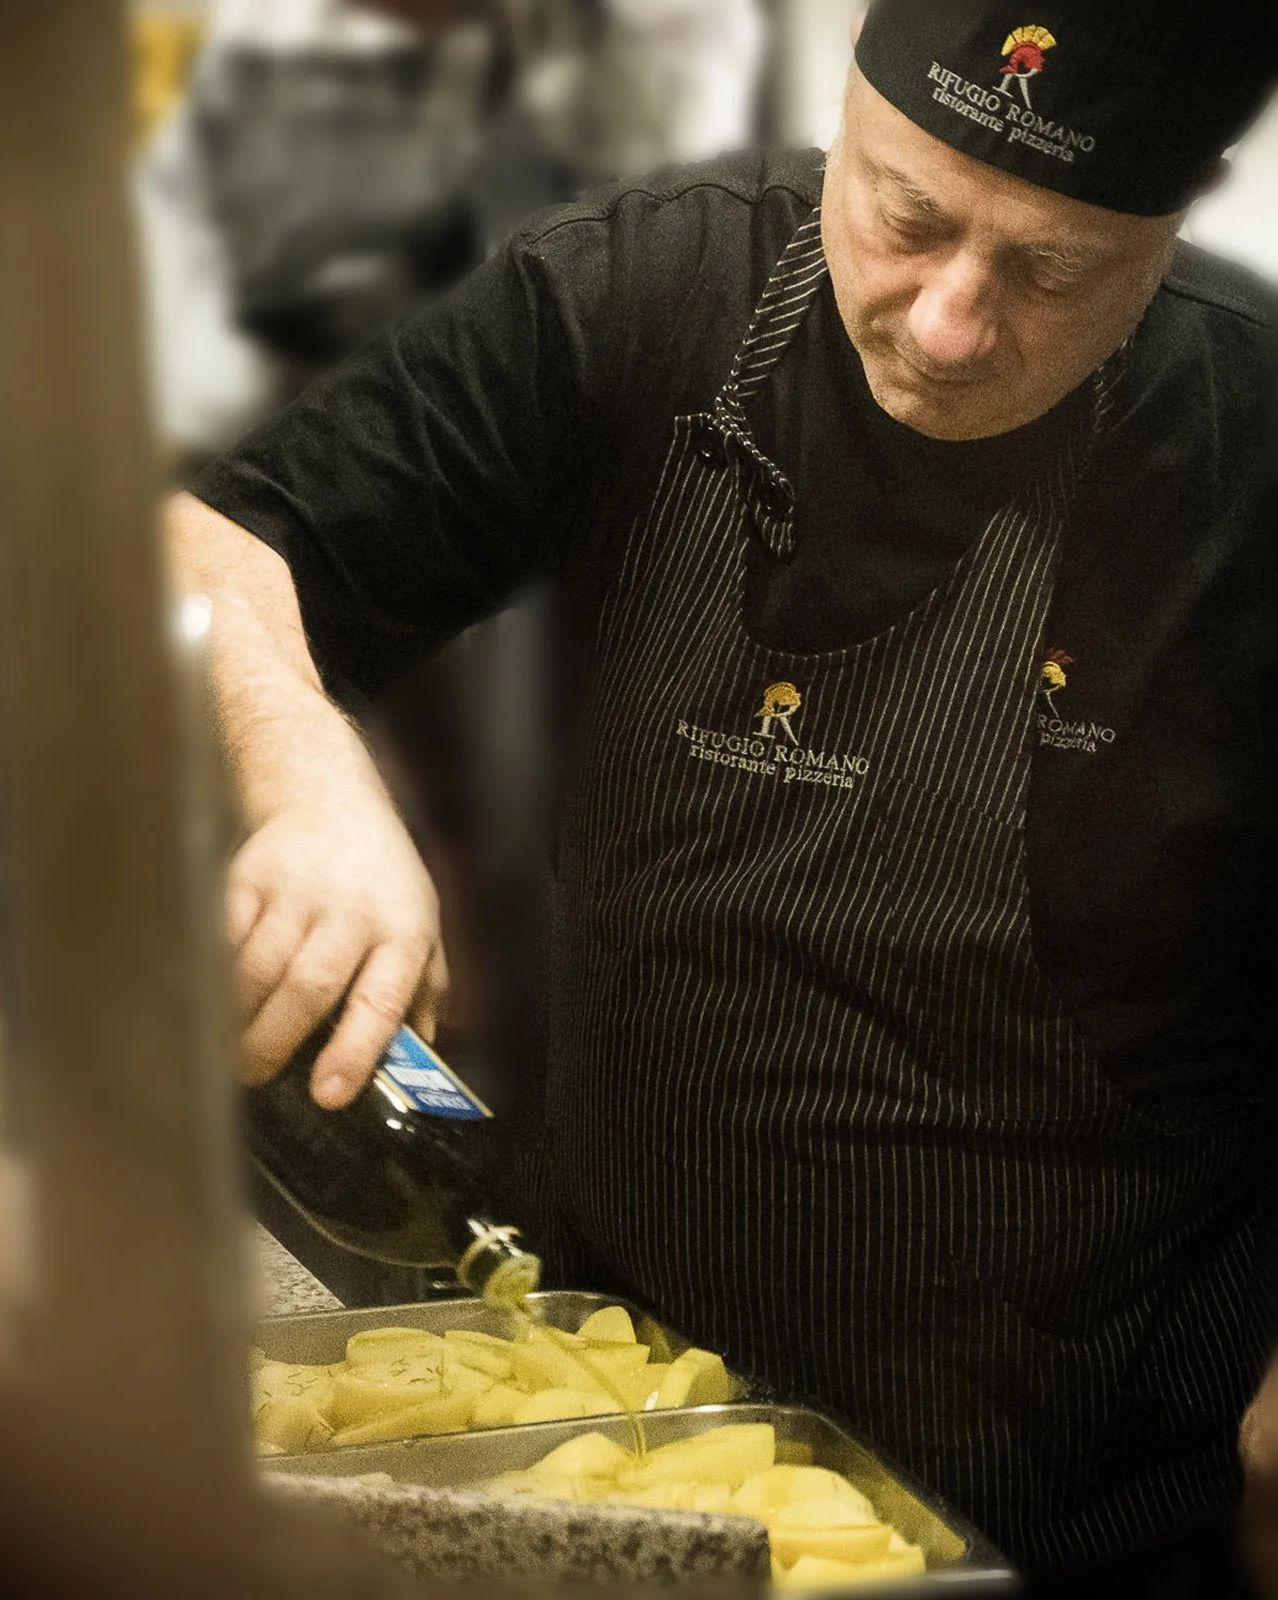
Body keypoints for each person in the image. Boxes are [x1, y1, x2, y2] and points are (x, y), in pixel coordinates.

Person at [165, 0, 1278, 1580]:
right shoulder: (652, 289)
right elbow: (204, 547)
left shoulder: (1249, 461)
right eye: (905, 218)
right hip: (606, 1436)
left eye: (1049, 271)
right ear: (849, 115)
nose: (949, 322)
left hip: (1064, 1507)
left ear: (1163, 238)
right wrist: (307, 779)